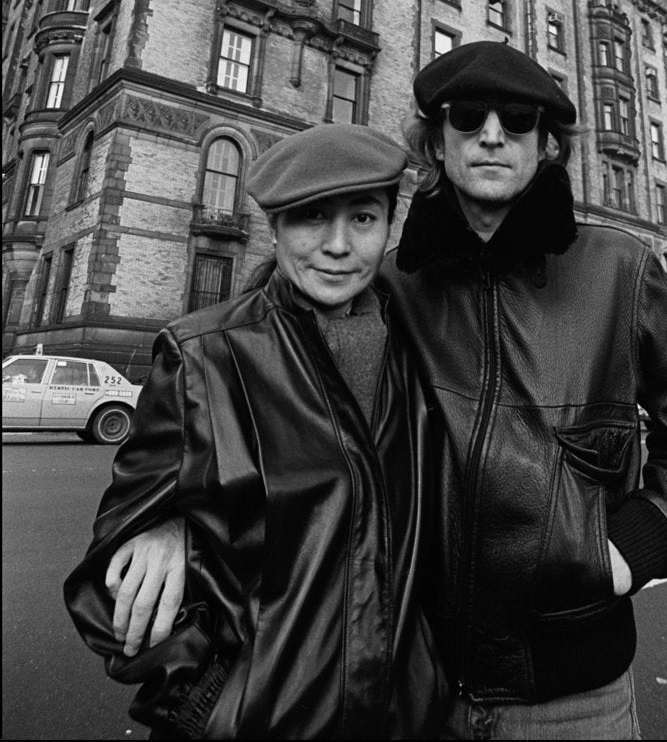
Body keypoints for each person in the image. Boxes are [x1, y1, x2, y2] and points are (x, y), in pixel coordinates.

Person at [94, 41, 667, 740]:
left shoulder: (622, 269)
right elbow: (266, 384)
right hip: (419, 691)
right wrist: (172, 517)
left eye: (518, 119)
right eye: (467, 117)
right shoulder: (389, 282)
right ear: (435, 141)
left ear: (548, 143)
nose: (491, 134)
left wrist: (625, 552)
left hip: (572, 694)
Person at [64, 124, 448, 741]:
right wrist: (211, 701)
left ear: (388, 228)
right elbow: (108, 584)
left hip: (405, 719)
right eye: (312, 217)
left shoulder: (423, 353)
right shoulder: (201, 357)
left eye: (365, 218)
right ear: (275, 228)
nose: (339, 245)